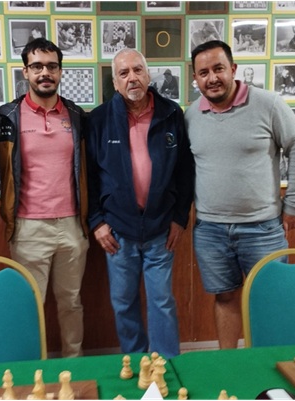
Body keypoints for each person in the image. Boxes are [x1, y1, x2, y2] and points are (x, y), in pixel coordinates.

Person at [184, 40, 295, 349]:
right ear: (195, 78)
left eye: (218, 69)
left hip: (262, 228)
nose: (212, 78)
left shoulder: (268, 104)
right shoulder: (191, 116)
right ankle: (229, 363)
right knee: (224, 297)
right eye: (204, 72)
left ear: (233, 69)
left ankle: (269, 365)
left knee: (271, 298)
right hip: (211, 230)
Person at [86, 48, 194, 358]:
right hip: (117, 231)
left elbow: (185, 172)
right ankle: (135, 364)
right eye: (123, 73)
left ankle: (166, 365)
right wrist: (97, 221)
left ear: (148, 74)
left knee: (162, 301)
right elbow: (89, 177)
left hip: (161, 229)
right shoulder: (99, 120)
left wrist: (179, 218)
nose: (131, 77)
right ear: (115, 82)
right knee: (123, 303)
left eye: (137, 70)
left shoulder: (171, 114)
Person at [0, 38, 89, 358]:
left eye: (52, 66)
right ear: (25, 72)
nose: (45, 73)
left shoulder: (76, 115)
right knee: (30, 304)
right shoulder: (6, 117)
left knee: (71, 302)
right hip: (28, 228)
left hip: (72, 226)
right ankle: (33, 370)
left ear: (60, 71)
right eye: (37, 67)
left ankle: (74, 366)